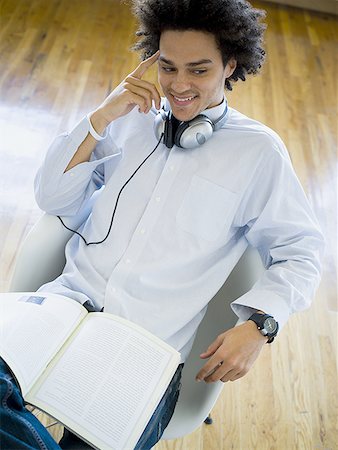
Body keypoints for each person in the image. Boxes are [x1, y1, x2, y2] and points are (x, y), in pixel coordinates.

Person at [0, 0, 324, 448]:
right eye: (168, 68)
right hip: (62, 312)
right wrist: (101, 117)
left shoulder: (259, 154)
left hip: (142, 351)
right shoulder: (126, 121)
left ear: (231, 65)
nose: (179, 85)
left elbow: (301, 252)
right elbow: (52, 197)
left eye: (198, 70)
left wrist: (260, 327)